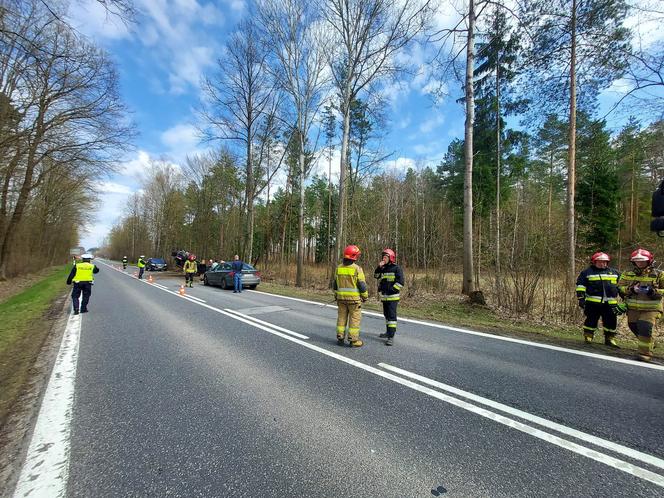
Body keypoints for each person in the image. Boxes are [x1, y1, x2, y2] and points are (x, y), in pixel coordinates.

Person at [617, 248, 664, 362]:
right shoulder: (627, 274)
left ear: (649, 261)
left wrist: (652, 292)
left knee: (645, 327)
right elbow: (620, 287)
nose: (640, 263)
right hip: (633, 308)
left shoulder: (659, 274)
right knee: (633, 326)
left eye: (642, 260)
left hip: (651, 309)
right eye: (637, 261)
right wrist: (632, 289)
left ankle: (644, 354)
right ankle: (650, 344)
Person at [575, 252, 621, 347]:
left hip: (610, 303)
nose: (602, 264)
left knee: (611, 321)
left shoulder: (615, 273)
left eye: (604, 262)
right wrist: (581, 298)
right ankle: (588, 336)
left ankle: (610, 339)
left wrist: (625, 299)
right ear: (594, 262)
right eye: (600, 262)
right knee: (591, 320)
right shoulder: (587, 272)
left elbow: (621, 287)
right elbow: (580, 286)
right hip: (592, 303)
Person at [334, 245, 369, 347]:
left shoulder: (338, 268)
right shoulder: (357, 269)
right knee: (354, 319)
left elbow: (335, 284)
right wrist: (365, 296)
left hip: (341, 299)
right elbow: (362, 285)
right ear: (354, 256)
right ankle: (353, 340)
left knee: (341, 318)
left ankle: (340, 337)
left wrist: (336, 295)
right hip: (354, 301)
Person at [374, 248, 405, 346]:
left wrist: (391, 290)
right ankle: (387, 332)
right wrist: (379, 267)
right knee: (386, 316)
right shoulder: (383, 268)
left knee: (391, 317)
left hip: (393, 297)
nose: (383, 258)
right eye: (383, 256)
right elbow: (376, 276)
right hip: (384, 297)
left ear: (391, 258)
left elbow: (400, 283)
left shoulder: (396, 268)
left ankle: (391, 337)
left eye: (385, 257)